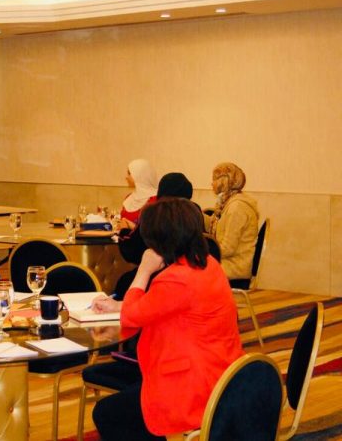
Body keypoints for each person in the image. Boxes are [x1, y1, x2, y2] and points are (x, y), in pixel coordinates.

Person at [92, 198, 244, 440]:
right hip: (221, 374)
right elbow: (165, 305)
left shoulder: (176, 279)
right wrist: (119, 305)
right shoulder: (208, 265)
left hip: (191, 386)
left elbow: (131, 317)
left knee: (107, 413)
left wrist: (144, 270)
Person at [114, 172, 195, 299]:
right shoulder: (195, 213)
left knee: (123, 284)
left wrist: (124, 231)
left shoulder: (155, 213)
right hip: (191, 278)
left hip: (160, 278)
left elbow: (133, 250)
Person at [205, 162, 259, 280]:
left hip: (235, 267)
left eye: (214, 179)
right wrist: (195, 214)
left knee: (192, 269)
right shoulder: (229, 202)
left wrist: (202, 251)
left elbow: (228, 248)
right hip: (228, 262)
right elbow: (217, 225)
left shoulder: (237, 208)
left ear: (223, 182)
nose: (211, 183)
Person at [117, 158, 158, 227]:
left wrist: (132, 227)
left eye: (129, 173)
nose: (126, 177)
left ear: (139, 175)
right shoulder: (129, 198)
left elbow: (154, 229)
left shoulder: (155, 200)